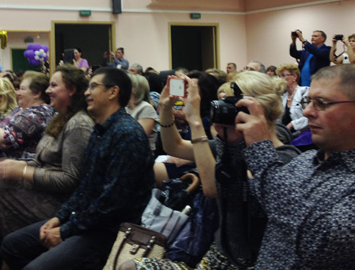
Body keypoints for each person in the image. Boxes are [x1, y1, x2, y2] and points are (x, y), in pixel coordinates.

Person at [129, 72, 300, 270]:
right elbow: (174, 146)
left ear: (256, 108)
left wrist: (195, 121)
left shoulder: (283, 159)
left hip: (248, 262)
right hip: (218, 255)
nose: (222, 111)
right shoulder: (231, 147)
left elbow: (214, 188)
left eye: (229, 105)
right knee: (130, 266)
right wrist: (165, 109)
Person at [0, 67, 154, 270]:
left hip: (109, 232)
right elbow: (85, 187)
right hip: (87, 221)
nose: (86, 92)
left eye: (93, 87)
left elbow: (111, 205)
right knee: (12, 245)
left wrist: (66, 230)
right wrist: (60, 217)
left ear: (113, 92)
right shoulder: (101, 130)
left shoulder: (127, 134)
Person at [236, 64, 355, 269]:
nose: (307, 112)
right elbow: (241, 202)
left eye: (321, 103)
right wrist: (230, 145)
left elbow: (318, 244)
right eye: (308, 101)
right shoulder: (304, 161)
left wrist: (261, 149)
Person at [0, 65, 94, 240]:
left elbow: (70, 180)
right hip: (44, 189)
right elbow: (42, 161)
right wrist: (19, 165)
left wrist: (23, 171)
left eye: (54, 86)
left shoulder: (79, 124)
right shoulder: (60, 118)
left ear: (71, 90)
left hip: (59, 203)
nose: (48, 90)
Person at [0, 72, 52, 173]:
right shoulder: (20, 108)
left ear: (37, 93)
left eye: (22, 89)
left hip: (14, 172)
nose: (17, 93)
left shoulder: (38, 113)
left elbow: (5, 141)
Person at [126, 73, 158, 153]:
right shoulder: (126, 107)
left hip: (142, 155)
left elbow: (138, 138)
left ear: (133, 89)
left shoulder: (146, 108)